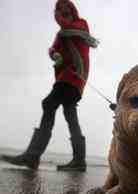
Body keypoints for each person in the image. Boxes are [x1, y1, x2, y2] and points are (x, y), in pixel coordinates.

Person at [2, 0, 98, 171]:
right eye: (59, 10)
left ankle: (33, 156)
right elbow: (54, 49)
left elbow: (68, 29)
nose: (62, 12)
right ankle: (79, 161)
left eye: (65, 9)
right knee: (70, 114)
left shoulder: (80, 24)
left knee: (48, 104)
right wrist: (54, 54)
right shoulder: (61, 33)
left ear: (73, 11)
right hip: (65, 76)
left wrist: (59, 19)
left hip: (74, 76)